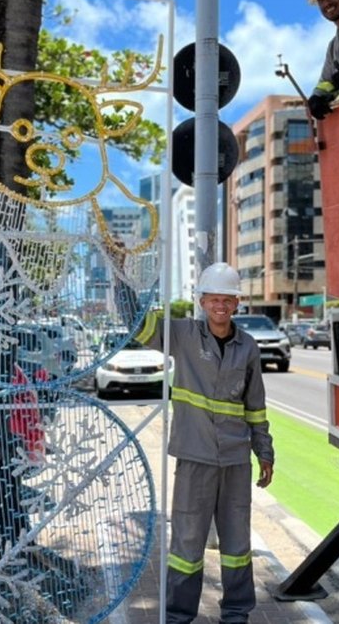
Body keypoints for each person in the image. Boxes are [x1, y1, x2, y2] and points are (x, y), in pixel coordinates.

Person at [122, 261, 275, 623]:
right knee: (187, 545)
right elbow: (138, 324)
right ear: (202, 302)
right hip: (194, 458)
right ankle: (178, 616)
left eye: (228, 299)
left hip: (236, 460)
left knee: (237, 545)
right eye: (213, 299)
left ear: (237, 304)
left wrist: (264, 452)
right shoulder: (184, 336)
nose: (220, 306)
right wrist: (121, 275)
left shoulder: (248, 347)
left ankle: (237, 614)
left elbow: (255, 407)